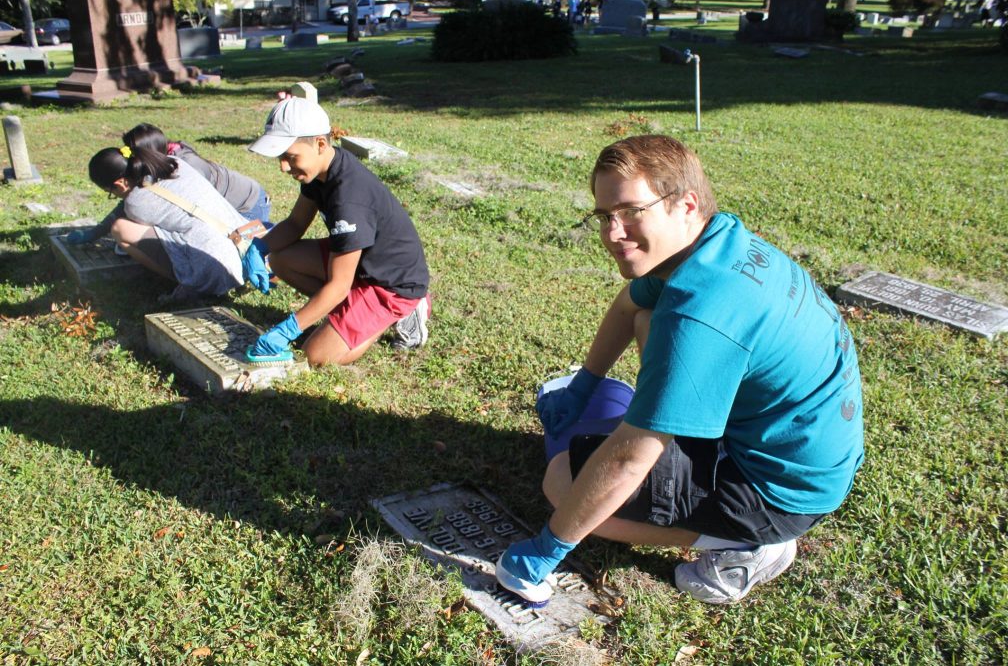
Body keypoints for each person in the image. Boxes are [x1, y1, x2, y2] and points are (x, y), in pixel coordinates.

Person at [496, 135, 864, 606]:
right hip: (796, 445)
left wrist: (545, 551)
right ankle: (686, 439)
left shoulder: (700, 313)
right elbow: (631, 304)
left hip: (777, 491)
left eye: (631, 211)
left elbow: (629, 459)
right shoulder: (720, 243)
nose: (613, 233)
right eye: (604, 216)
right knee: (648, 318)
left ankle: (748, 545)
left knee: (562, 483)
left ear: (686, 204)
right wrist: (584, 385)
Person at [245, 97, 431, 367]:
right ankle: (352, 312)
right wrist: (259, 248)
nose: (283, 166)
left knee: (316, 356)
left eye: (290, 156)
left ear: (320, 143)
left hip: (391, 284)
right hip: (358, 267)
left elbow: (339, 285)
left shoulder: (349, 199)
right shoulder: (322, 171)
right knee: (281, 259)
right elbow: (296, 224)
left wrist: (287, 330)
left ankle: (399, 313)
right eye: (280, 157)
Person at [68, 124, 272, 249]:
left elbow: (207, 216)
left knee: (256, 245)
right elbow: (128, 203)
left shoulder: (184, 169)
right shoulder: (160, 166)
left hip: (249, 206)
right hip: (229, 210)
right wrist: (95, 233)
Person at [85, 145, 248, 299]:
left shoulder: (135, 203)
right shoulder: (174, 163)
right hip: (247, 246)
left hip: (217, 270)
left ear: (119, 184)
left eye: (110, 193)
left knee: (120, 229)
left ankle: (187, 283)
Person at [124, 123, 272, 225]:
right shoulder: (162, 161)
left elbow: (203, 207)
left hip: (248, 204)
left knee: (250, 252)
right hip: (236, 202)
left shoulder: (187, 166)